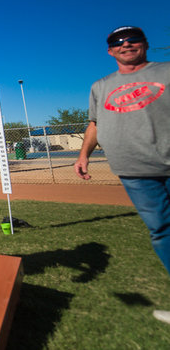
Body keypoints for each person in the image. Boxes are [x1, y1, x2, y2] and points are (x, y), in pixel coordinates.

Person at [74, 26, 170, 324]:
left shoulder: (165, 71)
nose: (126, 44)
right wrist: (83, 154)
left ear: (145, 44)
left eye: (133, 39)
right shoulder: (101, 86)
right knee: (161, 231)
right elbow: (94, 125)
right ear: (110, 51)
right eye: (118, 41)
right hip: (133, 171)